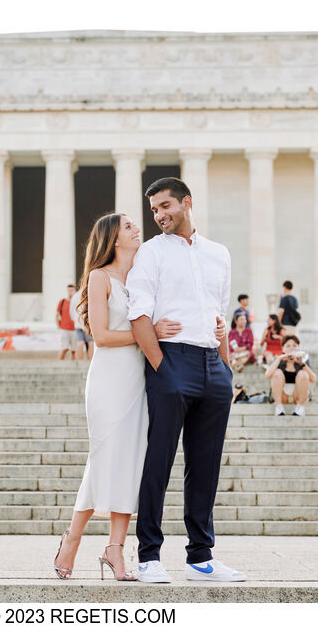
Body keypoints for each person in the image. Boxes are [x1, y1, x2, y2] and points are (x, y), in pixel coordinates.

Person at [53, 212, 211, 581]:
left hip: (140, 380)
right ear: (112, 237)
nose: (137, 228)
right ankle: (72, 538)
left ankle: (115, 549)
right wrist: (147, 332)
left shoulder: (142, 274)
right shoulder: (98, 277)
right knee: (103, 457)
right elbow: (103, 337)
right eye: (128, 226)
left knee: (133, 464)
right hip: (109, 379)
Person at [128, 176, 245, 583]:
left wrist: (225, 370)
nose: (159, 215)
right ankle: (148, 556)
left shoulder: (218, 254)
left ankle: (201, 557)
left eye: (165, 206)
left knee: (206, 464)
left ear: (186, 203)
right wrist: (161, 366)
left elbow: (221, 315)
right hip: (171, 363)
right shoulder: (150, 253)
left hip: (212, 364)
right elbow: (139, 313)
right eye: (154, 209)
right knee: (158, 461)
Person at [265, 335, 317, 416]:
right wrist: (278, 359)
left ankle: (300, 407)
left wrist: (303, 365)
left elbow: (313, 379)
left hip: (298, 396)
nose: (292, 348)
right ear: (283, 348)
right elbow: (268, 375)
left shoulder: (303, 361)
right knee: (277, 373)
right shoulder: (279, 360)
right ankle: (279, 407)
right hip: (282, 396)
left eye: (294, 345)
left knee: (303, 374)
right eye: (288, 346)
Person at [56, 284, 78, 360]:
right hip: (64, 329)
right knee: (64, 348)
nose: (70, 292)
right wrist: (58, 326)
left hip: (75, 329)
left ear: (75, 291)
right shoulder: (62, 301)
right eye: (68, 290)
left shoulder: (77, 302)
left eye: (72, 290)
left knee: (74, 350)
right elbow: (57, 315)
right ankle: (58, 364)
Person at [69, 288, 93, 360]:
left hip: (77, 324)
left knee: (80, 342)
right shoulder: (89, 293)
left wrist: (75, 320)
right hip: (87, 324)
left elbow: (71, 311)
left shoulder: (75, 296)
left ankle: (79, 362)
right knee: (91, 343)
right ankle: (90, 361)